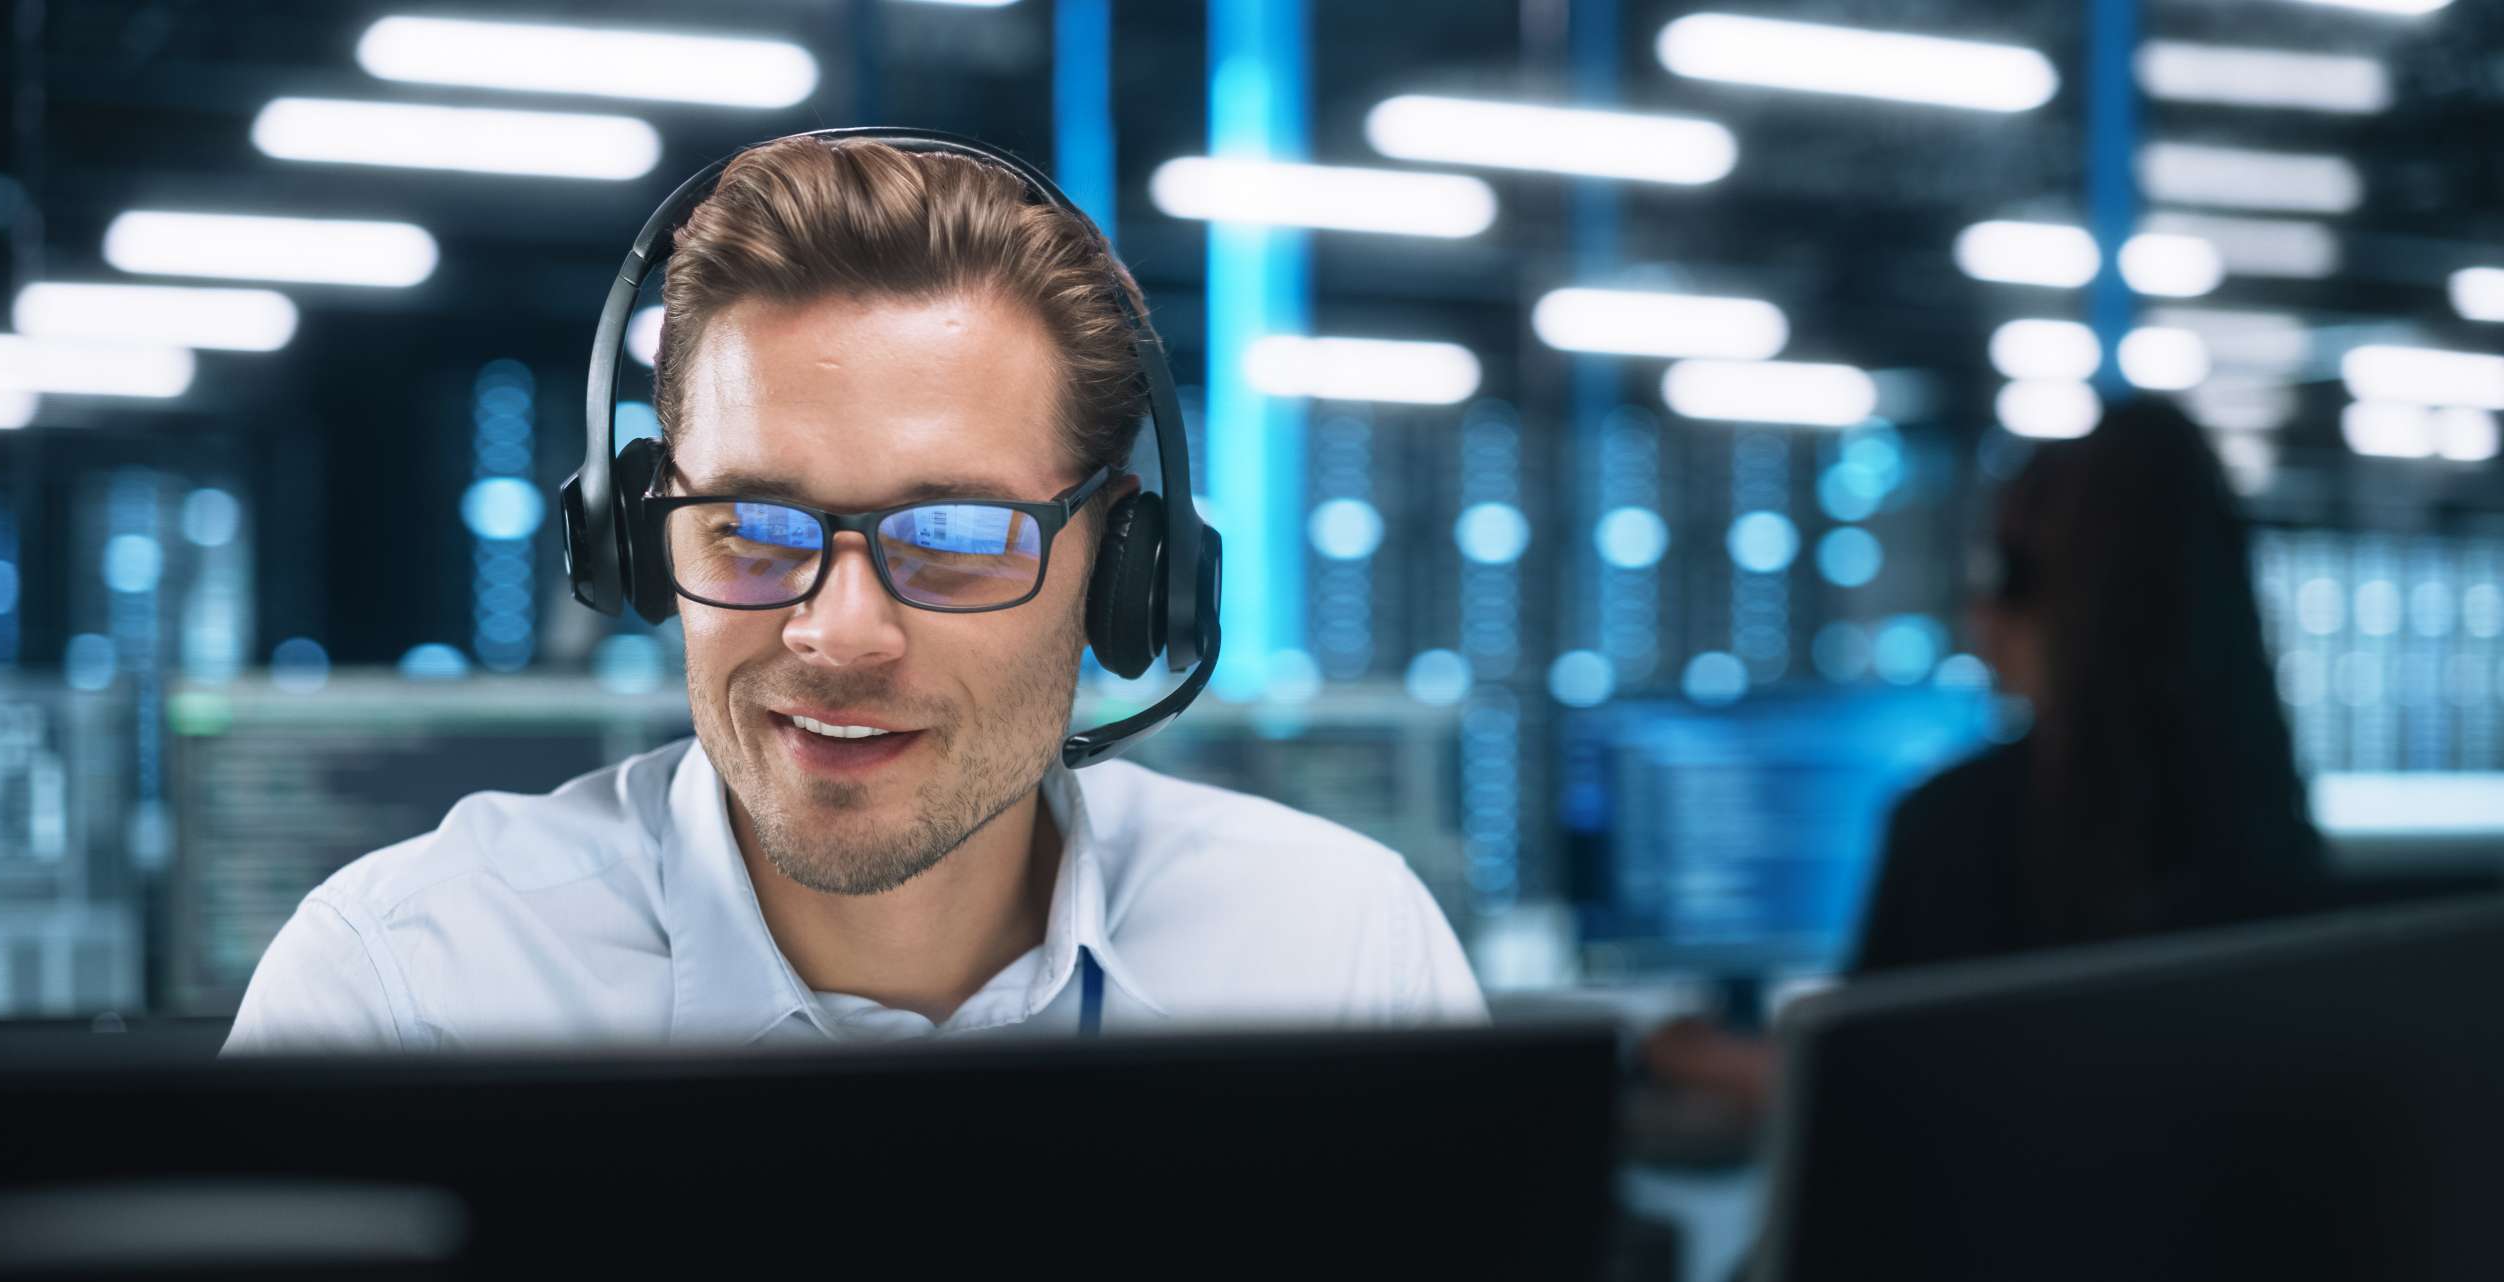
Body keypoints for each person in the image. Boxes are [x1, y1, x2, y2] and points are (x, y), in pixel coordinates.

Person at [224, 135, 1483, 1053]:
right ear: (636, 545)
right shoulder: (407, 992)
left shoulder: (1333, 957)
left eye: (953, 537)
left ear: (1125, 568)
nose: (837, 632)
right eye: (751, 528)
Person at [1647, 398, 2324, 1106]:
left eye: (1997, 576)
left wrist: (1700, 1059)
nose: (1978, 621)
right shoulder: (2271, 842)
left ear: (2055, 602)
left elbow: (1868, 1098)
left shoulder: (1957, 832)